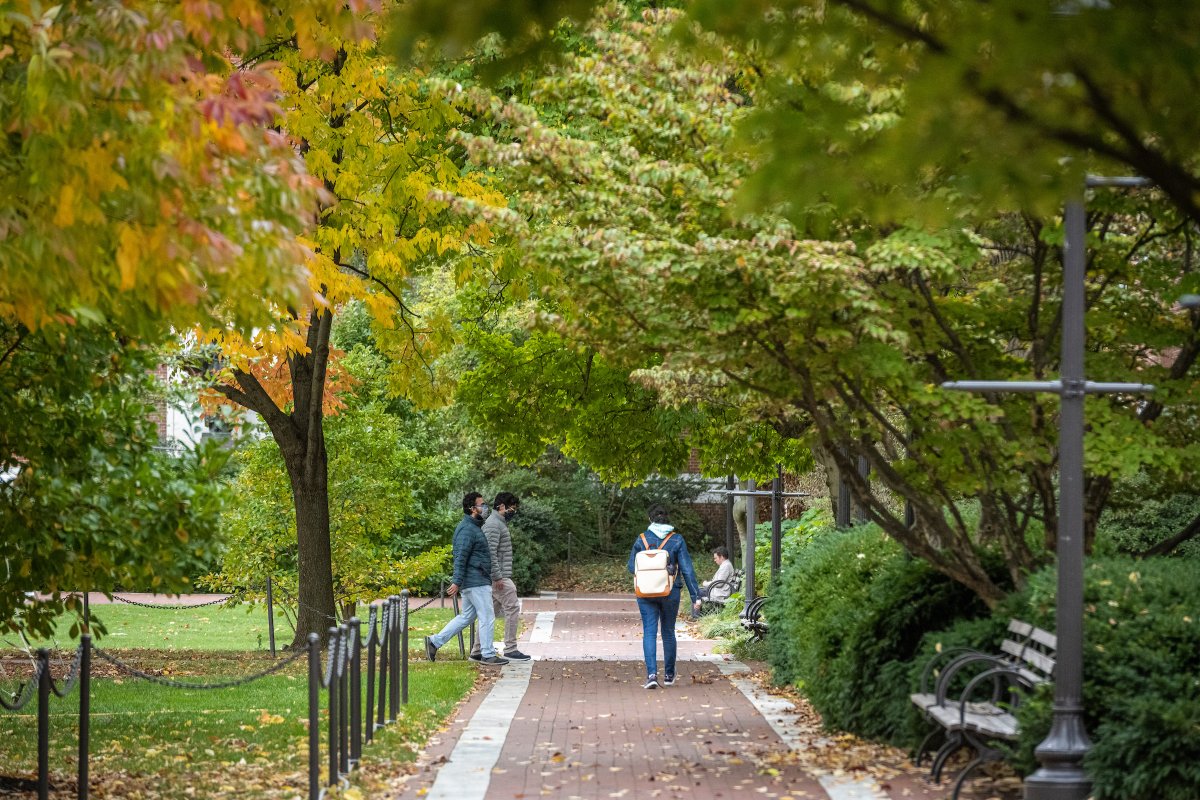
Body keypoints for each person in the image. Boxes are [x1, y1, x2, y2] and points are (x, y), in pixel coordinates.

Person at [424, 493, 509, 666]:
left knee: (467, 617)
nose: (485, 508)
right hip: (475, 581)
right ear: (472, 509)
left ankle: (434, 642)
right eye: (482, 505)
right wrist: (456, 581)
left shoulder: (473, 528)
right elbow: (460, 556)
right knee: (487, 615)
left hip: (475, 580)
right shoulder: (467, 529)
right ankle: (486, 654)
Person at [627, 504, 701, 690]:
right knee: (668, 632)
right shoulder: (677, 539)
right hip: (670, 591)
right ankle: (669, 674)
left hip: (645, 592)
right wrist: (695, 596)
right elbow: (687, 569)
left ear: (649, 519)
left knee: (649, 632)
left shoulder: (641, 540)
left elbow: (631, 567)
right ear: (667, 518)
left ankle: (651, 675)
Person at [469, 491, 531, 662]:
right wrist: (497, 577)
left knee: (490, 614)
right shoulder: (493, 525)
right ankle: (510, 648)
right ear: (502, 506)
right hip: (498, 577)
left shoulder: (498, 523)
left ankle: (477, 650)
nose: (513, 512)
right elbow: (490, 553)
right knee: (512, 607)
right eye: (512, 508)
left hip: (496, 576)